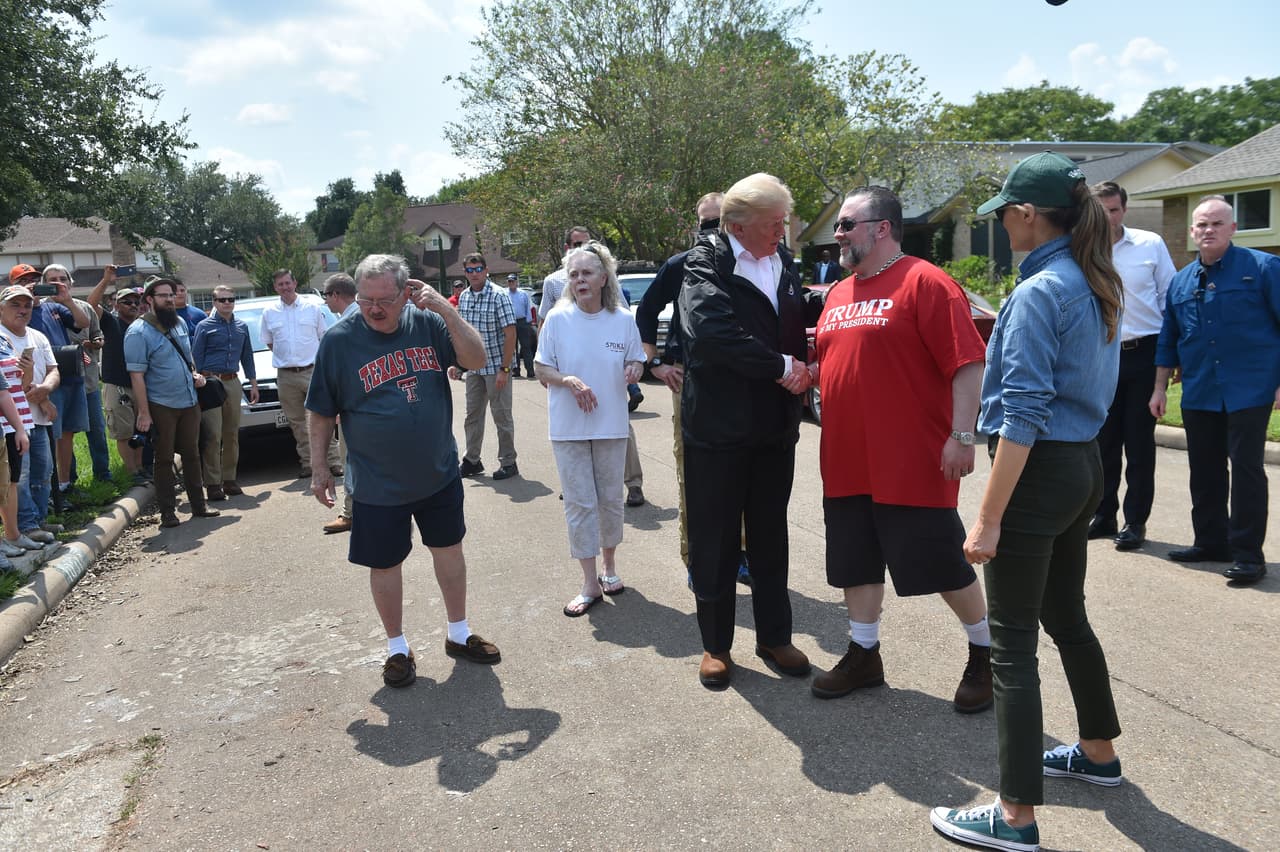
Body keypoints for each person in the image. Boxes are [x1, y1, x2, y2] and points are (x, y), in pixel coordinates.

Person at [930, 152, 1124, 852]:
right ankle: (1099, 753)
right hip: (1083, 468)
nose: (1001, 224)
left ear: (1027, 215)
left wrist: (987, 516)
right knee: (1066, 617)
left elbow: (1024, 414)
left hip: (1041, 473)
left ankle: (1014, 817)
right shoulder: (1091, 279)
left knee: (1011, 645)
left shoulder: (1044, 291)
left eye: (1006, 214)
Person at [810, 186, 992, 713]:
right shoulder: (839, 294)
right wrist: (810, 375)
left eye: (846, 224)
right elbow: (843, 362)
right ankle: (864, 655)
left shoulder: (926, 282)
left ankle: (986, 654)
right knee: (855, 562)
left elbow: (967, 364)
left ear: (881, 228)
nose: (838, 234)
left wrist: (961, 436)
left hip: (912, 460)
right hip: (847, 460)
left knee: (939, 563)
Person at [306, 253, 500, 688]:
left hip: (438, 471)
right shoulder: (339, 341)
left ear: (407, 291)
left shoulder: (429, 323)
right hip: (376, 483)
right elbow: (320, 411)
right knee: (386, 564)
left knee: (449, 551)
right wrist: (320, 469)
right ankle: (397, 647)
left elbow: (474, 359)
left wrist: (447, 309)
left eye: (385, 299)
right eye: (365, 298)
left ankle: (458, 632)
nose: (374, 308)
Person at [677, 172, 813, 690]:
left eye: (784, 221)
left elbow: (796, 320)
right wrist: (781, 366)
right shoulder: (705, 261)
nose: (783, 231)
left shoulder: (783, 263)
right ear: (737, 225)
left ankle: (775, 637)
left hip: (774, 428)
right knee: (714, 540)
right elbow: (710, 334)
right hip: (717, 429)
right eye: (774, 223)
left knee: (770, 535)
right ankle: (715, 646)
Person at [1150, 195, 1280, 585]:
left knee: (1246, 470)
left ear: (1233, 228)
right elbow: (1168, 338)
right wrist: (1159, 388)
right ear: (1192, 232)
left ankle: (1247, 555)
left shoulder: (1263, 268)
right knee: (1204, 470)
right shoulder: (1181, 281)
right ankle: (1210, 542)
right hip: (1201, 389)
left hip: (1250, 387)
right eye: (1201, 225)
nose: (1208, 230)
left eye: (1216, 224)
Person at [636, 192, 753, 585]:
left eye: (718, 223)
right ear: (695, 227)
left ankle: (740, 556)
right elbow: (646, 309)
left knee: (742, 473)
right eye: (705, 224)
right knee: (694, 472)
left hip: (740, 382)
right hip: (690, 381)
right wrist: (655, 363)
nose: (711, 232)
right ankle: (696, 559)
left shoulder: (752, 263)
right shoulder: (681, 264)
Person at [534, 241, 645, 616]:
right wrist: (568, 381)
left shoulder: (623, 319)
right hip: (568, 428)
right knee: (580, 504)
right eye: (574, 274)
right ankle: (587, 582)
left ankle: (610, 567)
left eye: (587, 273)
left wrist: (635, 369)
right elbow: (541, 369)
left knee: (610, 500)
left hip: (612, 424)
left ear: (603, 278)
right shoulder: (558, 319)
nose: (580, 280)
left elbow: (636, 360)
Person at [1087, 181, 1176, 551]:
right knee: (1103, 442)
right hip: (1101, 353)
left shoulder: (1150, 244)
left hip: (1144, 352)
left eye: (1115, 210)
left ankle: (1135, 521)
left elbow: (1171, 301)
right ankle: (1103, 514)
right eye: (1102, 210)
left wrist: (1173, 358)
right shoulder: (1083, 250)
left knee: (1139, 444)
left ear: (1124, 209)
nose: (1109, 218)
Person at [124, 277, 221, 529]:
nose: (170, 299)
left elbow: (187, 358)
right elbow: (136, 376)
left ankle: (199, 506)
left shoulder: (178, 322)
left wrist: (196, 374)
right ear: (149, 300)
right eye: (163, 296)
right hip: (161, 404)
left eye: (172, 294)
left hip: (189, 400)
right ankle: (168, 513)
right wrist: (144, 413)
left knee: (191, 454)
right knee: (164, 459)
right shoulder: (137, 332)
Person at [260, 268, 341, 478]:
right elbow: (269, 342)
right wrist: (289, 359)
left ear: (294, 283)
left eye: (288, 283)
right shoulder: (269, 312)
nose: (285, 287)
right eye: (280, 284)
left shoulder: (312, 308)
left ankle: (333, 461)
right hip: (286, 376)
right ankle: (308, 463)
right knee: (297, 422)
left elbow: (324, 337)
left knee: (324, 416)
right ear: (275, 287)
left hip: (312, 371)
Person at [0, 283, 60, 545]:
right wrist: (43, 399)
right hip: (11, 420)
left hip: (36, 416)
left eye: (27, 305)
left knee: (43, 470)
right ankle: (24, 526)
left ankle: (39, 518)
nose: (23, 310)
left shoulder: (38, 336)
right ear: (1, 308)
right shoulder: (2, 337)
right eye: (15, 304)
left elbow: (53, 370)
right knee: (19, 477)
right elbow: (9, 385)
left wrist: (45, 390)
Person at [451, 252, 518, 480]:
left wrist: (505, 369)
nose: (474, 274)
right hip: (474, 369)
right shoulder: (465, 297)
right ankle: (472, 460)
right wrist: (459, 365)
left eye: (478, 269)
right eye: (469, 270)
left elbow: (511, 334)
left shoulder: (499, 296)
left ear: (486, 270)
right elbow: (462, 333)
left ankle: (509, 462)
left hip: (496, 367)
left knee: (501, 416)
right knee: (472, 416)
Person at [28, 264, 90, 508]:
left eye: (35, 281)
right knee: (51, 436)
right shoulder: (20, 311)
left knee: (68, 434)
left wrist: (67, 300)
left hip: (70, 375)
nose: (38, 286)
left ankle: (64, 485)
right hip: (44, 382)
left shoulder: (55, 307)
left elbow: (82, 322)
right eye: (28, 282)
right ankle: (50, 491)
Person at [192, 285, 258, 500]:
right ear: (215, 303)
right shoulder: (204, 326)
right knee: (213, 434)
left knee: (231, 433)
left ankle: (229, 479)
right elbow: (196, 356)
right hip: (211, 382)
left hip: (233, 381)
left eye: (231, 299)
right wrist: (197, 380)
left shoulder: (241, 326)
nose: (227, 303)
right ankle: (212, 483)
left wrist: (253, 382)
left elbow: (247, 355)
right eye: (222, 300)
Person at [88, 270, 149, 483]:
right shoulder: (111, 323)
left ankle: (141, 468)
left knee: (140, 431)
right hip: (118, 387)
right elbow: (91, 305)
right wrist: (106, 280)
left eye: (135, 301)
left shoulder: (142, 326)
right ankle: (132, 473)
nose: (132, 305)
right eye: (126, 302)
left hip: (140, 385)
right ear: (116, 305)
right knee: (123, 433)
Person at [318, 273, 358, 535]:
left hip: (354, 408)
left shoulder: (348, 324)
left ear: (335, 295)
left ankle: (352, 513)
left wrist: (340, 406)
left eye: (326, 296)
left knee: (351, 460)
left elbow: (349, 371)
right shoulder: (352, 318)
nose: (325, 302)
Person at [0, 323, 33, 566]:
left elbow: (6, 391)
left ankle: (12, 535)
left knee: (8, 483)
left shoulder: (4, 341)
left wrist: (20, 427)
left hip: (8, 426)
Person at [538, 226, 592, 326]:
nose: (584, 249)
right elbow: (544, 322)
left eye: (588, 245)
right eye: (578, 245)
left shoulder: (603, 277)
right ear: (567, 248)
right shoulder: (553, 282)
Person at [505, 273, 536, 377]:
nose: (511, 283)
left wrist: (528, 322)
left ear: (516, 282)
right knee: (512, 348)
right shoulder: (504, 294)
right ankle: (515, 370)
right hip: (510, 323)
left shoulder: (523, 294)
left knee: (526, 347)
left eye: (513, 281)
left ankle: (530, 370)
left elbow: (528, 308)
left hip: (523, 322)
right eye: (509, 281)